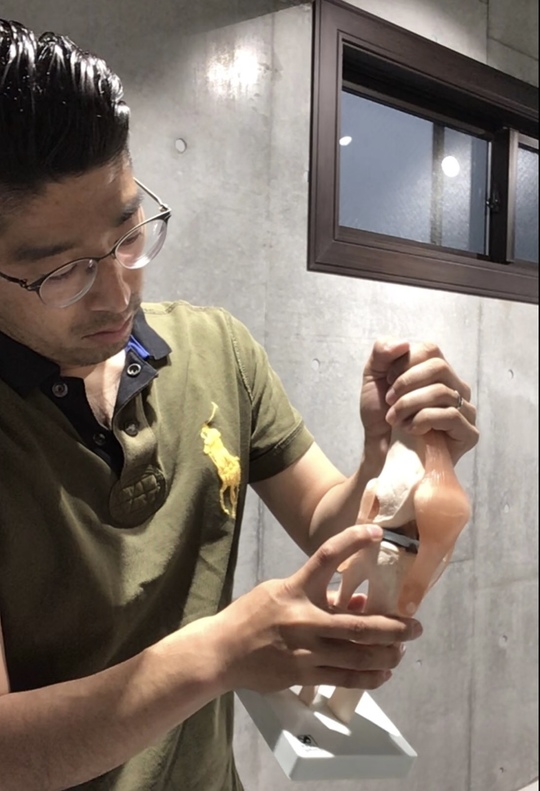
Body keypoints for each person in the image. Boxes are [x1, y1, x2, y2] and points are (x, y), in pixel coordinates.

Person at [0, 19, 479, 791]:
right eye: (62, 273)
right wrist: (222, 652)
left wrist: (390, 457)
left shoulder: (216, 347)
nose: (118, 293)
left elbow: (332, 528)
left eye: (129, 234)